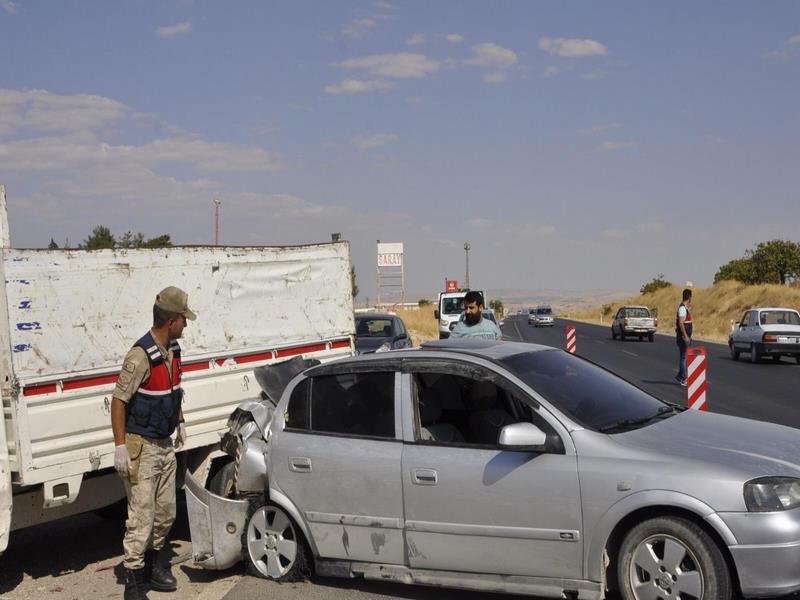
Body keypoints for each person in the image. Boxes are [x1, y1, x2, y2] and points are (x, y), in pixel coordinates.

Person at [111, 286, 196, 600]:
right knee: (141, 516)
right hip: (142, 446)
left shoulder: (172, 350)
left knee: (166, 513)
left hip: (164, 444)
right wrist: (120, 445)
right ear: (171, 320)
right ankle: (133, 583)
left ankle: (155, 566)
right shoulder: (140, 355)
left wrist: (181, 419)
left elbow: (173, 390)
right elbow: (119, 401)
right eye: (183, 319)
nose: (186, 325)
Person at [675, 288, 693, 386]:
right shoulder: (682, 309)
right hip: (683, 337)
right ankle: (683, 378)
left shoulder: (684, 308)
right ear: (689, 297)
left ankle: (680, 375)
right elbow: (681, 323)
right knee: (683, 357)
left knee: (684, 357)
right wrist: (686, 336)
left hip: (684, 336)